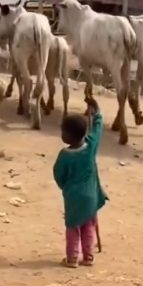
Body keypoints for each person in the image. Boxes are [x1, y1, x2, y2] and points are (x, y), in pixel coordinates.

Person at [53, 96, 108, 268]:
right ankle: (88, 256)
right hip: (91, 195)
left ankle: (72, 258)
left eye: (63, 132)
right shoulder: (90, 146)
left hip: (73, 196)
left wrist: (66, 187)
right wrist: (97, 112)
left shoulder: (64, 155)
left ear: (68, 136)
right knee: (88, 226)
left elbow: (58, 175)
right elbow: (98, 130)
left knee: (73, 226)